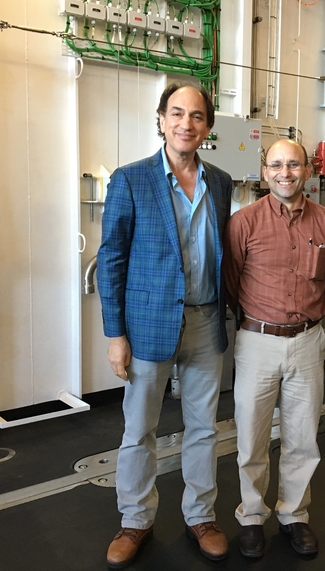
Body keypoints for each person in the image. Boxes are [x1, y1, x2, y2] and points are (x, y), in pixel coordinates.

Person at [97, 83, 233, 569]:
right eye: (177, 113)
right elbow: (110, 259)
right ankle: (135, 519)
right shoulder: (131, 180)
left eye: (197, 116)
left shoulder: (220, 182)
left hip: (205, 321)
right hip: (148, 326)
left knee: (203, 429)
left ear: (208, 127)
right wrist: (116, 335)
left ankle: (201, 516)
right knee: (139, 430)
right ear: (160, 119)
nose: (186, 124)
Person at [224, 139, 325, 559]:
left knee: (302, 438)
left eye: (293, 165)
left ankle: (294, 514)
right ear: (264, 171)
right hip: (256, 341)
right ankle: (252, 516)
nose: (285, 173)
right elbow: (231, 282)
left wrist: (306, 321)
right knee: (252, 438)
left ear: (308, 171)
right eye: (276, 165)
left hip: (308, 342)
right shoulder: (244, 222)